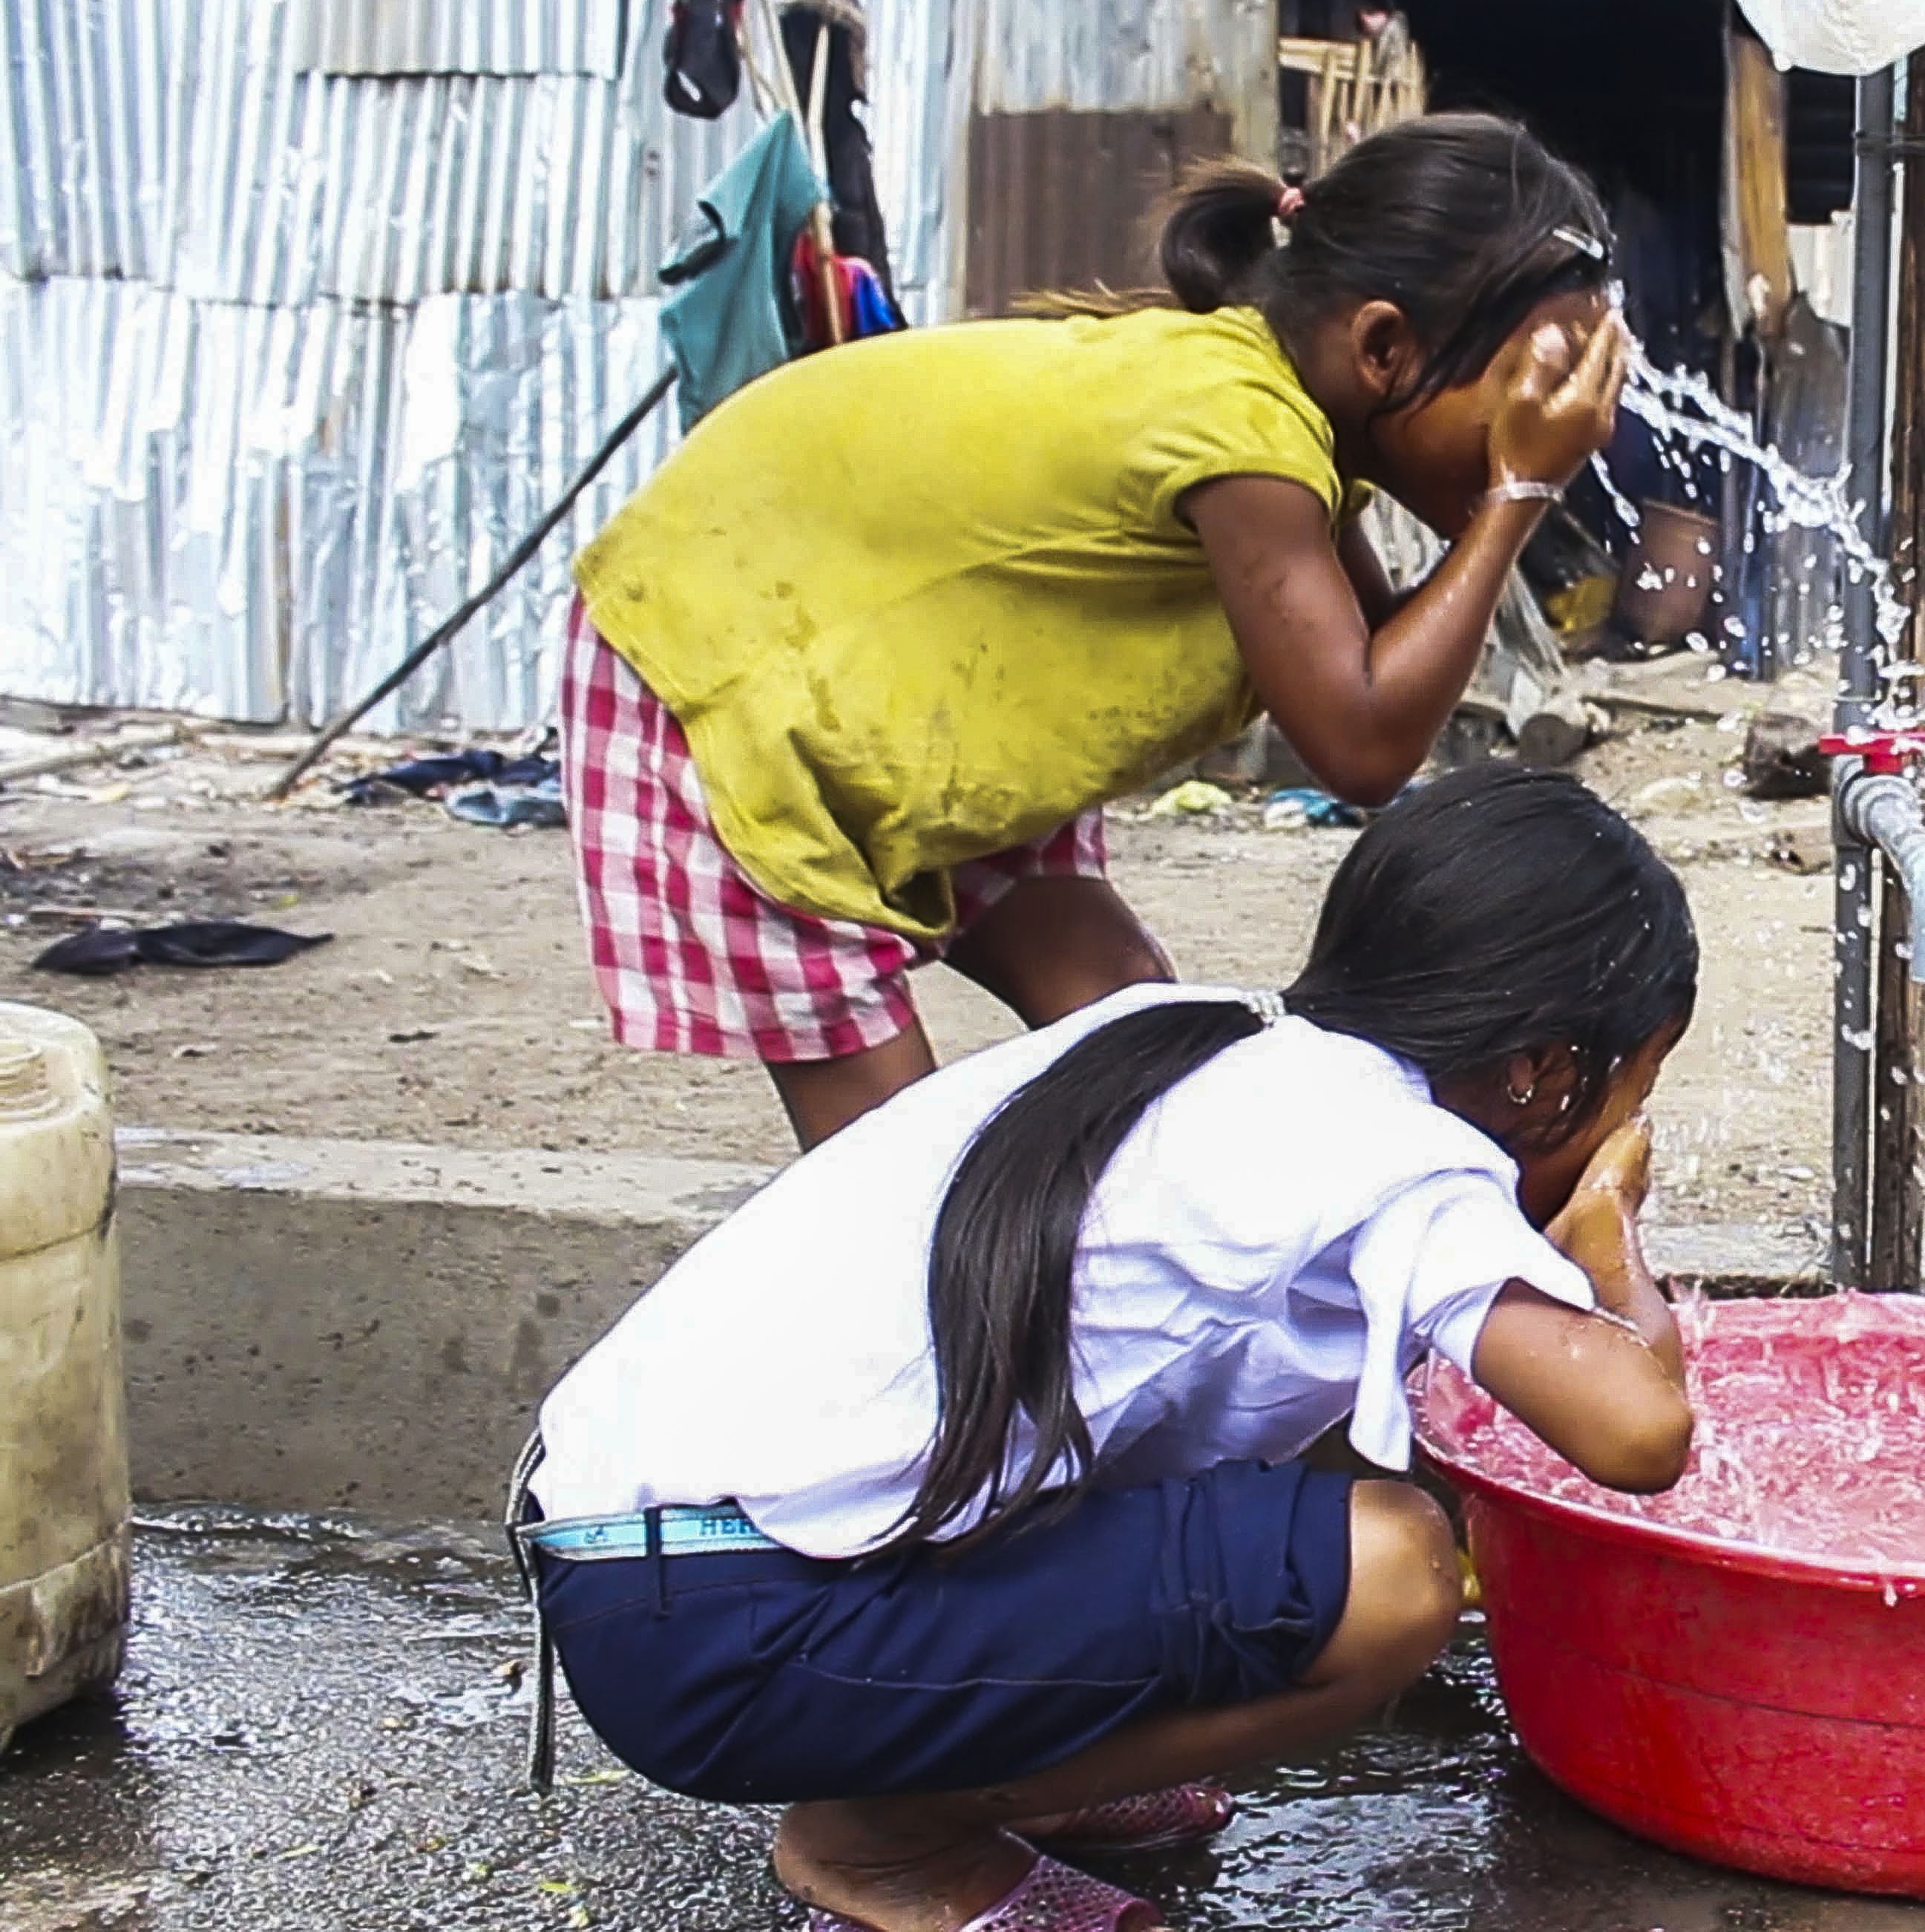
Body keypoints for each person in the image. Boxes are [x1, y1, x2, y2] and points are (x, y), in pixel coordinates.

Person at [514, 767, 1699, 1932]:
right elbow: (1638, 1431)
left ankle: (1001, 1752)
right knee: (1396, 1569)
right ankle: (887, 1835)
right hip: (730, 1627)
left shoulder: (1207, 1040)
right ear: (1540, 1071)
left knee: (1310, 1506)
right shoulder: (1396, 1160)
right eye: (1636, 1080)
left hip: (634, 1567)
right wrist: (1606, 1236)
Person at [564, 114, 1636, 1147]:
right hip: (721, 665)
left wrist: (1511, 482)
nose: (1560, 426)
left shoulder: (1282, 420)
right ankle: (955, 1306)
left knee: (1131, 1024)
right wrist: (1518, 494)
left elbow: (1375, 657)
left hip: (926, 698)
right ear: (1383, 349)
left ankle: (1144, 1260)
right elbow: (1359, 741)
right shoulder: (1242, 430)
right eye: (1535, 390)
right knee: (890, 1163)